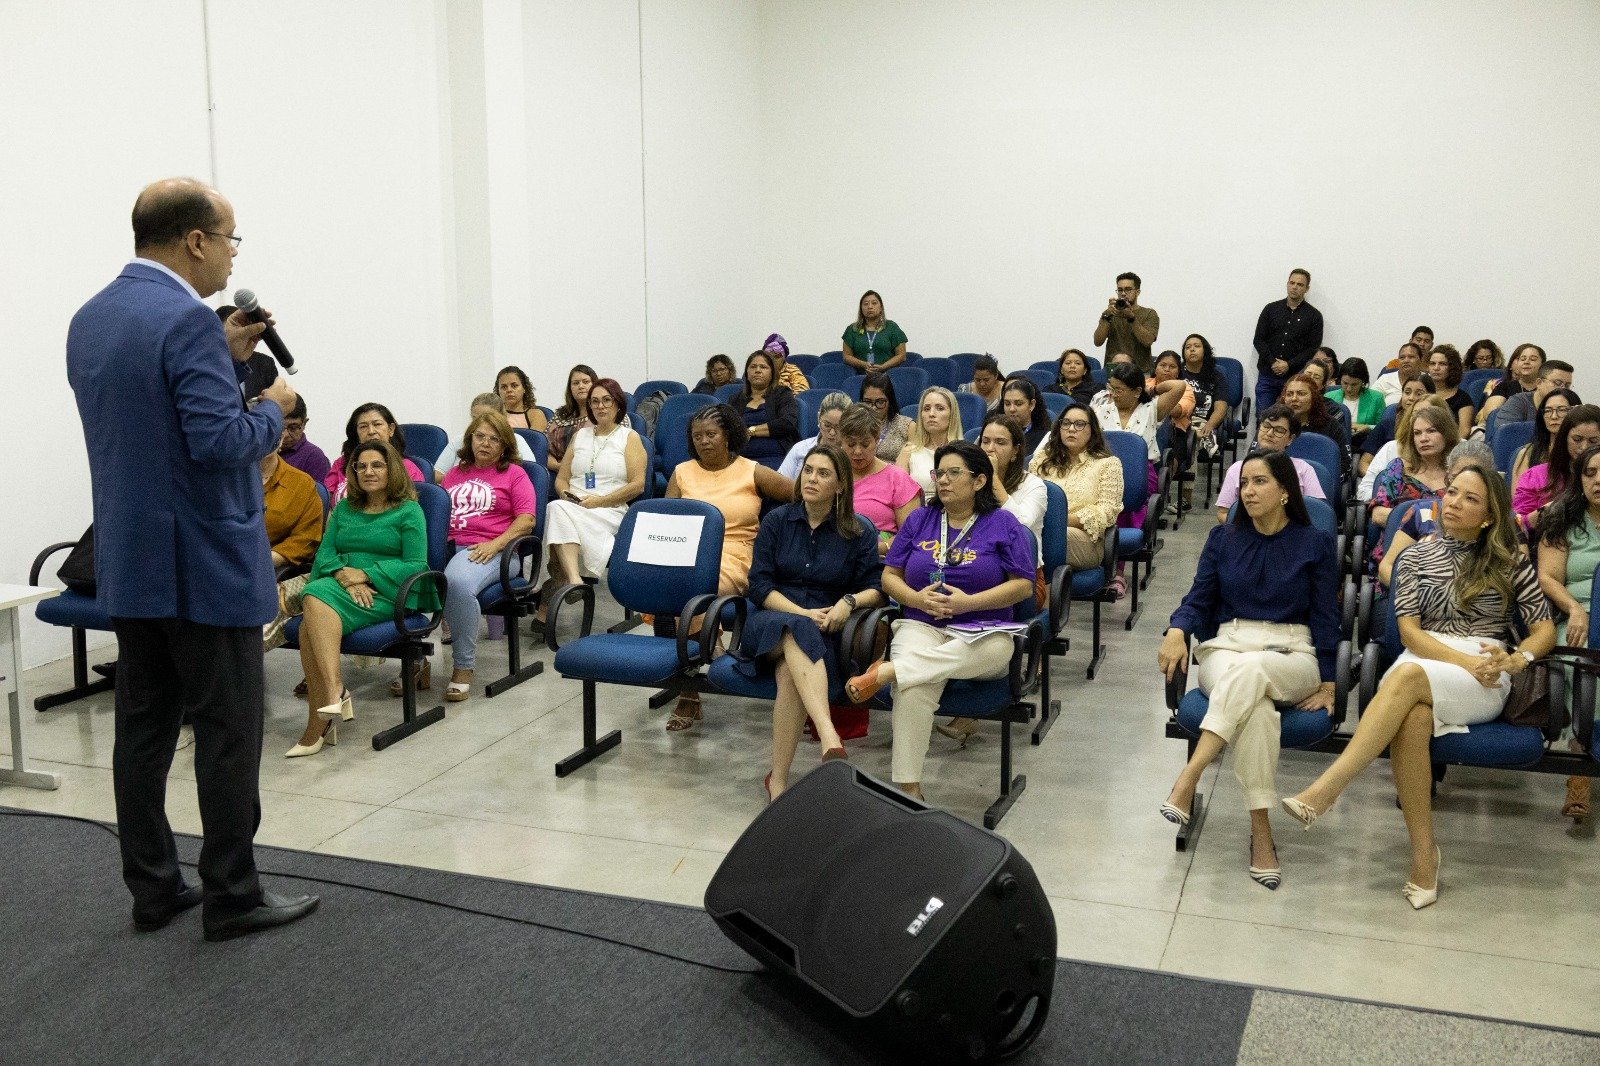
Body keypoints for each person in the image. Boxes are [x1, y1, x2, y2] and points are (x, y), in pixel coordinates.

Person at [65, 177, 317, 939]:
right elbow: (214, 443)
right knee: (228, 730)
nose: (233, 253)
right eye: (231, 238)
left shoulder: (91, 318)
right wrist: (272, 411)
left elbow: (159, 424)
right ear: (196, 241)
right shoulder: (185, 322)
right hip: (206, 563)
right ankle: (232, 894)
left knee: (143, 729)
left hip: (133, 561)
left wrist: (234, 359)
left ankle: (153, 886)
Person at [1283, 462, 1554, 910]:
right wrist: (1462, 661)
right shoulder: (1414, 556)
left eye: (1470, 499)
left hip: (1484, 672)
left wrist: (1517, 657)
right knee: (1412, 720)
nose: (1454, 503)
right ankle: (1424, 858)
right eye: (1451, 493)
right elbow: (1409, 632)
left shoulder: (1510, 559)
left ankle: (1328, 789)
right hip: (1429, 656)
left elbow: (1542, 629)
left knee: (1406, 678)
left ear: (1489, 515)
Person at [1159, 451, 1339, 888]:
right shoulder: (1223, 539)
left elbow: (1325, 616)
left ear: (1284, 492)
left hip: (1292, 652)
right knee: (1256, 707)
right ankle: (1262, 831)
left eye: (1260, 482)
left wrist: (1331, 681)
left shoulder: (1314, 543)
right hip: (1228, 645)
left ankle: (1190, 774)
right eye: (1244, 483)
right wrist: (1177, 629)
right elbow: (1198, 599)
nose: (1248, 491)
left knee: (1254, 673)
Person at [847, 442, 1035, 803]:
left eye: (953, 473)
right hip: (922, 624)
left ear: (979, 481)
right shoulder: (920, 519)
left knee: (998, 652)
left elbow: (1023, 585)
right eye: (938, 473)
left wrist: (969, 604)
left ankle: (890, 671)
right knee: (915, 688)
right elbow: (889, 577)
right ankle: (909, 790)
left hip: (984, 630)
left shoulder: (1003, 523)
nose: (942, 481)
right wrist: (916, 599)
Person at [738, 444, 884, 800]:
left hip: (826, 630)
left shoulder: (858, 531)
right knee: (796, 627)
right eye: (808, 471)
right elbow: (758, 585)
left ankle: (779, 782)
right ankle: (827, 733)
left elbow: (877, 589)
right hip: (770, 621)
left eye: (823, 473)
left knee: (790, 675)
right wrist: (801, 613)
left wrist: (847, 603)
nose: (812, 479)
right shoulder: (777, 521)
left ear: (840, 486)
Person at [295, 440, 439, 757]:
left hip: (388, 592)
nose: (368, 471)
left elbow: (417, 564)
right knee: (312, 612)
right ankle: (331, 700)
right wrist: (345, 576)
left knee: (312, 602)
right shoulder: (345, 508)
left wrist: (367, 574)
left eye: (377, 465)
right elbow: (326, 553)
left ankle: (324, 712)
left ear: (392, 470)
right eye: (361, 466)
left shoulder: (409, 510)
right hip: (343, 588)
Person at [665, 404, 794, 729]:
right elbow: (664, 522)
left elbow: (800, 495)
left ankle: (688, 692)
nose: (704, 442)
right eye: (697, 436)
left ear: (728, 435)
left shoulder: (752, 471)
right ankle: (702, 659)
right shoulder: (681, 472)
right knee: (680, 585)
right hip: (688, 554)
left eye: (711, 434)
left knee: (686, 590)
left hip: (737, 556)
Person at [533, 378, 648, 634]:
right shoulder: (581, 435)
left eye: (607, 400)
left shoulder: (630, 438)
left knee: (556, 513)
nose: (600, 406)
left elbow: (638, 485)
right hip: (574, 505)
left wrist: (598, 501)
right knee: (557, 508)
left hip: (610, 508)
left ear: (618, 404)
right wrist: (567, 495)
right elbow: (562, 479)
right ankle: (574, 580)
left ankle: (564, 579)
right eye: (595, 401)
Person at [437, 409, 536, 703]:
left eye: (494, 439)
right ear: (470, 439)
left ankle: (463, 666)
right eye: (480, 436)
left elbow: (527, 520)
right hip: (448, 547)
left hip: (494, 552)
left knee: (455, 582)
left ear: (505, 445)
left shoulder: (514, 474)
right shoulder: (455, 473)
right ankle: (415, 667)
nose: (485, 443)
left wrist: (496, 544)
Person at [1536, 443, 1600, 822]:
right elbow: (1547, 576)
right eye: (1590, 473)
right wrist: (1575, 608)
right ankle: (1580, 769)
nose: (1598, 480)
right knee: (1584, 656)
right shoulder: (1562, 520)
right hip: (1578, 616)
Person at [1093, 362, 1184, 597]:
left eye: (1120, 389)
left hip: (1140, 475)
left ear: (1136, 391)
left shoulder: (1151, 409)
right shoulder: (1101, 407)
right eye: (1111, 387)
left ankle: (1116, 572)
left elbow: (1179, 386)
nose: (1113, 393)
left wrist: (1151, 389)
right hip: (1103, 473)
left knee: (1120, 506)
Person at [1376, 440, 1495, 588]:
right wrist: (1419, 596)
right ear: (1448, 477)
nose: (1465, 482)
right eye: (1457, 477)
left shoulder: (1505, 519)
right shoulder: (1421, 513)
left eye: (1475, 477)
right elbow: (1387, 568)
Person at [1031, 402, 1124, 570]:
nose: (1071, 429)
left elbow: (1107, 513)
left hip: (1086, 541)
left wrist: (1057, 521)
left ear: (1092, 430)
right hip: (1040, 528)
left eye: (1079, 424)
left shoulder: (1108, 464)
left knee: (1045, 537)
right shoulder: (1042, 460)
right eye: (1065, 423)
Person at [1369, 404, 1459, 567]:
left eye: (1431, 431)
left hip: (1449, 554)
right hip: (1397, 555)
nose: (1423, 438)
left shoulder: (1459, 474)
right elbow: (1378, 514)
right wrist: (1420, 524)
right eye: (1417, 433)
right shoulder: (1398, 468)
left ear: (1447, 434)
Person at [1213, 406, 1326, 522]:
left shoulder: (1304, 469)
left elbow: (1317, 512)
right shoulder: (1237, 469)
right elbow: (1223, 513)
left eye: (1279, 430)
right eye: (1266, 426)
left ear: (1290, 439)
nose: (1270, 433)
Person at [838, 405, 922, 558]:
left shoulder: (897, 478)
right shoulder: (832, 476)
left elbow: (911, 535)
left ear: (877, 439)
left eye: (865, 444)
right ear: (840, 440)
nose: (857, 451)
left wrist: (880, 548)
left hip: (878, 560)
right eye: (850, 444)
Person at [1251, 269, 1323, 419]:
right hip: (1267, 376)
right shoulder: (1270, 309)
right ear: (1287, 284)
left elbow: (1312, 348)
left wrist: (1288, 365)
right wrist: (1272, 362)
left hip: (1294, 378)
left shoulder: (1314, 316)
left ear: (1306, 289)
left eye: (1300, 284)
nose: (1294, 287)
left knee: (1292, 420)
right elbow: (1258, 339)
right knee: (1263, 417)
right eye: (1292, 283)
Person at [1512, 403, 1600, 524]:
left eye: (1593, 441)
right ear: (1564, 439)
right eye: (1577, 439)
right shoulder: (1535, 476)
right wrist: (1549, 511)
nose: (1584, 447)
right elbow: (1517, 525)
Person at [325, 403, 425, 501]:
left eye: (377, 424)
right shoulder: (342, 463)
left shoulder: (408, 468)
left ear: (391, 429)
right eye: (363, 426)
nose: (371, 431)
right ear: (356, 433)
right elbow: (326, 503)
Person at [547, 364, 631, 471]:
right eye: (575, 383)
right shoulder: (561, 415)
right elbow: (543, 447)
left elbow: (620, 449)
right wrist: (558, 467)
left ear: (595, 385)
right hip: (557, 471)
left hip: (600, 471)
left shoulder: (611, 414)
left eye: (586, 382)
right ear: (570, 388)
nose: (581, 386)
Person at [1359, 376, 1436, 486]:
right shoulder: (1387, 424)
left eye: (1419, 394)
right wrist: (1386, 482)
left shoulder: (1439, 430)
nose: (1411, 398)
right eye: (1407, 392)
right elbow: (1364, 463)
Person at [734, 349, 801, 469]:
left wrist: (751, 431)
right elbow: (729, 428)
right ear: (747, 373)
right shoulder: (736, 399)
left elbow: (787, 423)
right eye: (753, 366)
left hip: (775, 458)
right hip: (741, 460)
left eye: (763, 367)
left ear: (772, 373)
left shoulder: (782, 394)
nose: (757, 370)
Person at [897, 386, 964, 498]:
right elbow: (900, 496)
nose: (931, 414)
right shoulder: (908, 452)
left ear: (952, 414)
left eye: (940, 408)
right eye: (926, 409)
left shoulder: (964, 452)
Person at [1511, 388, 1580, 485]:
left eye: (1562, 410)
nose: (1554, 416)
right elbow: (1519, 498)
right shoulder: (1529, 454)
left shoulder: (1582, 450)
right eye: (1548, 411)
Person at [1094, 271, 1160, 373]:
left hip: (1141, 371)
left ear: (1137, 292)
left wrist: (1132, 318)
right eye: (1120, 290)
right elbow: (1098, 342)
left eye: (1128, 289)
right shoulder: (1109, 313)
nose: (1123, 293)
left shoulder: (1149, 313)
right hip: (1113, 370)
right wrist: (1107, 316)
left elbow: (1147, 341)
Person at [1179, 334, 1229, 463]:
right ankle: (1202, 439)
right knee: (1190, 435)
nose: (1192, 349)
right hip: (1179, 419)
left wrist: (1210, 425)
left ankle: (1200, 436)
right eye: (1187, 347)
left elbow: (1221, 408)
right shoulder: (1177, 373)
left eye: (1197, 346)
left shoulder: (1216, 377)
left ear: (1205, 351)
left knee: (1194, 436)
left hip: (1202, 420)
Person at [214, 302, 277, 404]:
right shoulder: (204, 361)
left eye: (241, 330)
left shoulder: (265, 363)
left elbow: (276, 403)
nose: (239, 336)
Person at [778, 390, 851, 478]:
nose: (832, 432)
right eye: (827, 425)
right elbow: (780, 484)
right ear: (818, 418)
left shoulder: (853, 454)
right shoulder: (800, 449)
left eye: (839, 427)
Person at [1476, 343, 1546, 427]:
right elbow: (1490, 415)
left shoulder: (1547, 388)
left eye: (1533, 359)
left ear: (1543, 364)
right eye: (1522, 359)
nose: (1526, 362)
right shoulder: (1505, 386)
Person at [841, 289, 907, 371]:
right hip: (860, 377)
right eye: (865, 304)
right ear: (861, 309)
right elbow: (846, 356)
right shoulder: (852, 329)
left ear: (881, 307)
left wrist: (883, 367)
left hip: (887, 376)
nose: (870, 307)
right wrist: (863, 365)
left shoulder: (891, 327)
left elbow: (901, 355)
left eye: (874, 303)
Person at [274, 394, 332, 485]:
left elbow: (318, 497)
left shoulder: (314, 456)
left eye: (293, 427)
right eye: (280, 427)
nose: (285, 435)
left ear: (304, 423)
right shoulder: (261, 452)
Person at [1497, 359, 1574, 426]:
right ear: (1539, 383)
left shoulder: (1569, 407)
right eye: (1557, 383)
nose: (1563, 389)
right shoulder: (1517, 403)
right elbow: (1505, 436)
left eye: (1567, 385)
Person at [861, 371, 914, 461]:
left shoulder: (907, 426)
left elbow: (915, 463)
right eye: (868, 402)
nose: (873, 408)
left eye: (880, 402)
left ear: (890, 401)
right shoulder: (855, 425)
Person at [1330, 357, 1384, 446]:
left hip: (1364, 444)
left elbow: (1382, 427)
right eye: (1345, 383)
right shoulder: (1329, 396)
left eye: (1354, 384)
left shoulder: (1376, 398)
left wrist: (1367, 427)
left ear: (1363, 381)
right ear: (1340, 380)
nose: (1349, 389)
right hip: (1335, 442)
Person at [1425, 345, 1475, 439]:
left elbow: (1464, 430)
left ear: (1452, 368)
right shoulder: (1424, 394)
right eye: (1432, 363)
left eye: (1442, 364)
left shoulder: (1463, 398)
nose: (1436, 368)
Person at [1000, 375, 1052, 453]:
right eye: (1007, 404)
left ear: (1031, 405)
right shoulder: (994, 431)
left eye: (1018, 404)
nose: (1011, 409)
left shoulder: (1045, 437)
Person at [495, 365, 548, 432]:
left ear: (524, 388)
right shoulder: (493, 416)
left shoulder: (535, 415)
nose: (509, 390)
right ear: (498, 391)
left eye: (514, 386)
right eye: (504, 387)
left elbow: (535, 441)